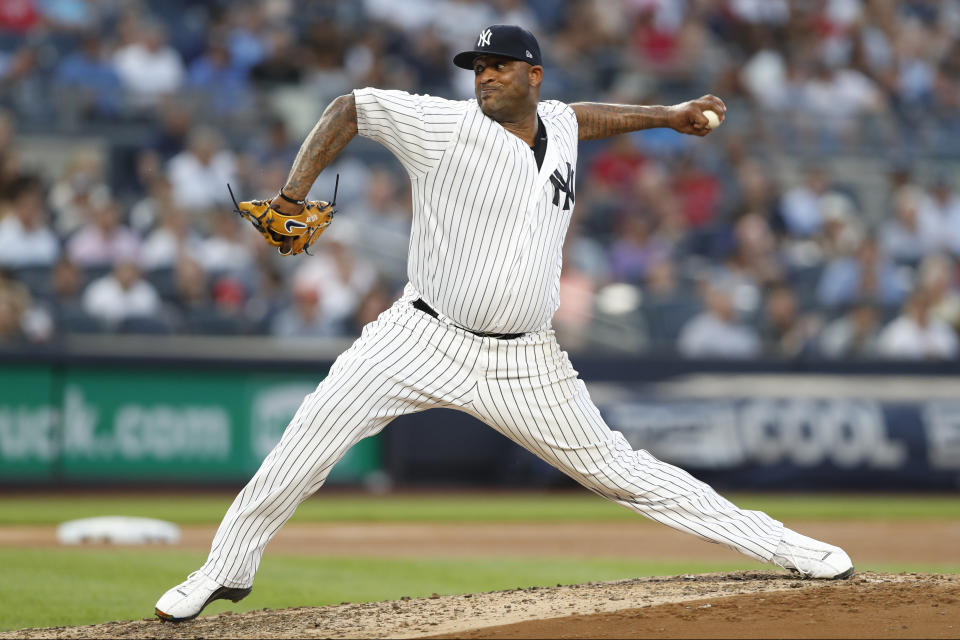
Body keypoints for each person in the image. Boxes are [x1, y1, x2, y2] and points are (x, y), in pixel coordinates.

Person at [155, 25, 854, 623]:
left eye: (498, 67)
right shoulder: (444, 125)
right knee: (305, 443)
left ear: (533, 76)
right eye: (478, 68)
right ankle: (224, 568)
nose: (485, 76)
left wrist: (667, 115)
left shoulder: (560, 124)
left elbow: (587, 117)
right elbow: (350, 107)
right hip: (420, 337)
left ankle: (786, 548)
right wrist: (290, 194)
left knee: (621, 471)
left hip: (528, 360)